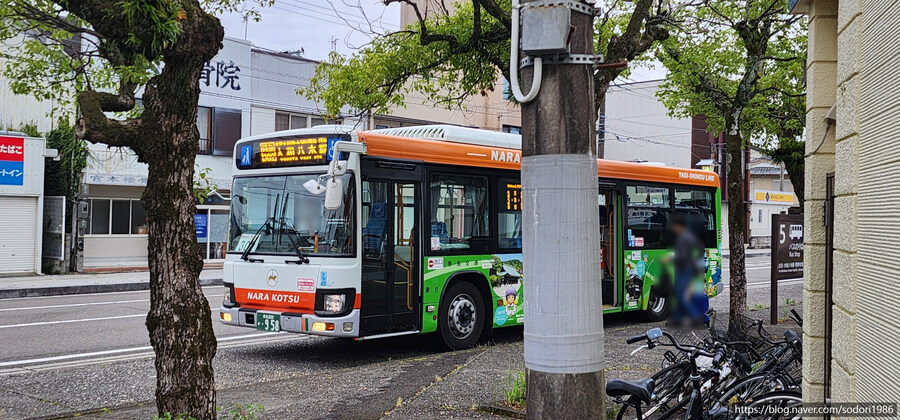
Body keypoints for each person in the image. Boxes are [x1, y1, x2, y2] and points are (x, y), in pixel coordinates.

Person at [671, 214, 708, 326]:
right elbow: (701, 248)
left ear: (677, 226)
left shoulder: (683, 237)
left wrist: (670, 258)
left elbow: (682, 256)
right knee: (682, 294)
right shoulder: (689, 235)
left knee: (680, 294)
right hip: (689, 268)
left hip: (684, 269)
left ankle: (698, 317)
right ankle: (678, 318)